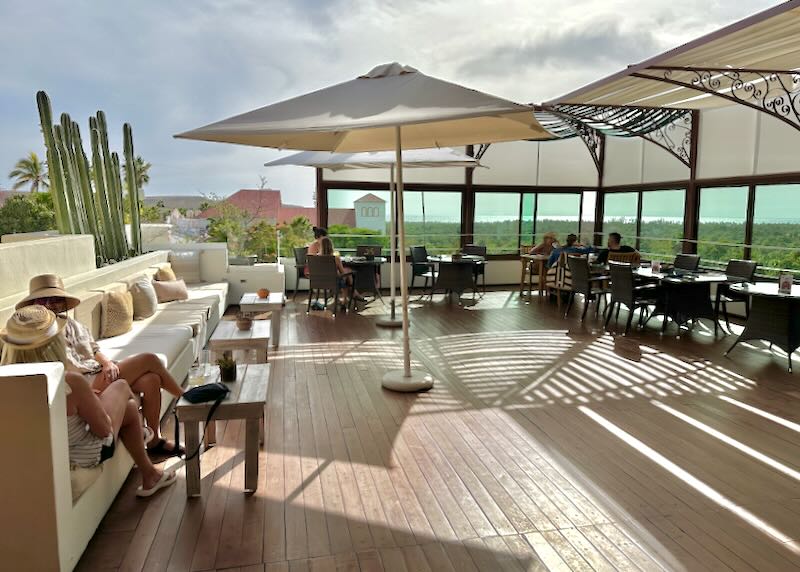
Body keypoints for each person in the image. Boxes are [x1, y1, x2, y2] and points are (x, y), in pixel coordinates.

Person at [0, 305, 177, 497]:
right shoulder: (69, 382)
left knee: (129, 406)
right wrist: (92, 399)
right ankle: (149, 454)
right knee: (122, 388)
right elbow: (103, 430)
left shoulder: (9, 386)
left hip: (40, 458)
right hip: (81, 457)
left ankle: (150, 473)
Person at [16, 274, 184, 458]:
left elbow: (94, 349)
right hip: (83, 383)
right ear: (35, 304)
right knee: (149, 359)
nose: (51, 304)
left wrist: (107, 363)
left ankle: (154, 440)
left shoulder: (72, 324)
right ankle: (186, 398)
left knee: (151, 380)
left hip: (97, 371)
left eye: (56, 299)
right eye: (44, 299)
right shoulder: (38, 334)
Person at [320, 236, 359, 306]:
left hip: (320, 282)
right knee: (347, 276)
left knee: (346, 273)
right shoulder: (336, 258)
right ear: (331, 246)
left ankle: (340, 298)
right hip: (335, 282)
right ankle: (348, 297)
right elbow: (342, 272)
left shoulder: (315, 258)